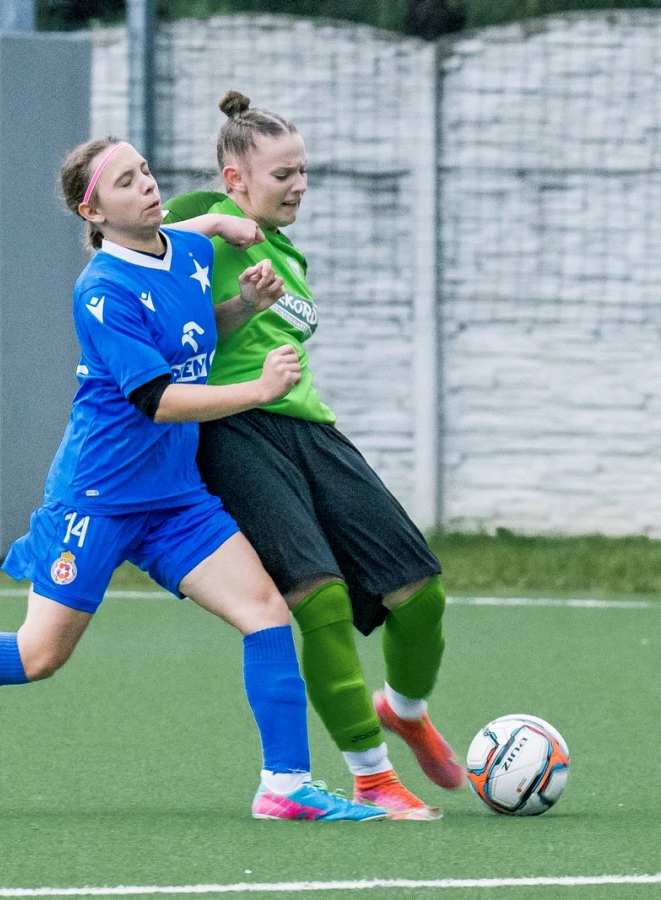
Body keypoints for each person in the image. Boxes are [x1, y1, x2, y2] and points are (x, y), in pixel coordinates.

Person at [0, 137, 385, 822]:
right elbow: (157, 398)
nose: (147, 184)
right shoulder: (100, 290)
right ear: (94, 213)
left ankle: (285, 785)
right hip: (99, 497)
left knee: (264, 611)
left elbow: (189, 339)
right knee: (38, 655)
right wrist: (259, 391)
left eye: (144, 170)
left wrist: (244, 305)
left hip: (175, 499)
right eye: (125, 181)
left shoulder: (191, 252)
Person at [162, 91, 464, 820]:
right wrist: (221, 254)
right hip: (234, 429)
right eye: (283, 174)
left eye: (303, 171)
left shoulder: (286, 251)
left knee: (420, 591)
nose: (300, 185)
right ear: (234, 180)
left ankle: (405, 709)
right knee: (319, 599)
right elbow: (153, 293)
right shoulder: (199, 217)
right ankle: (371, 776)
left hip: (310, 430)